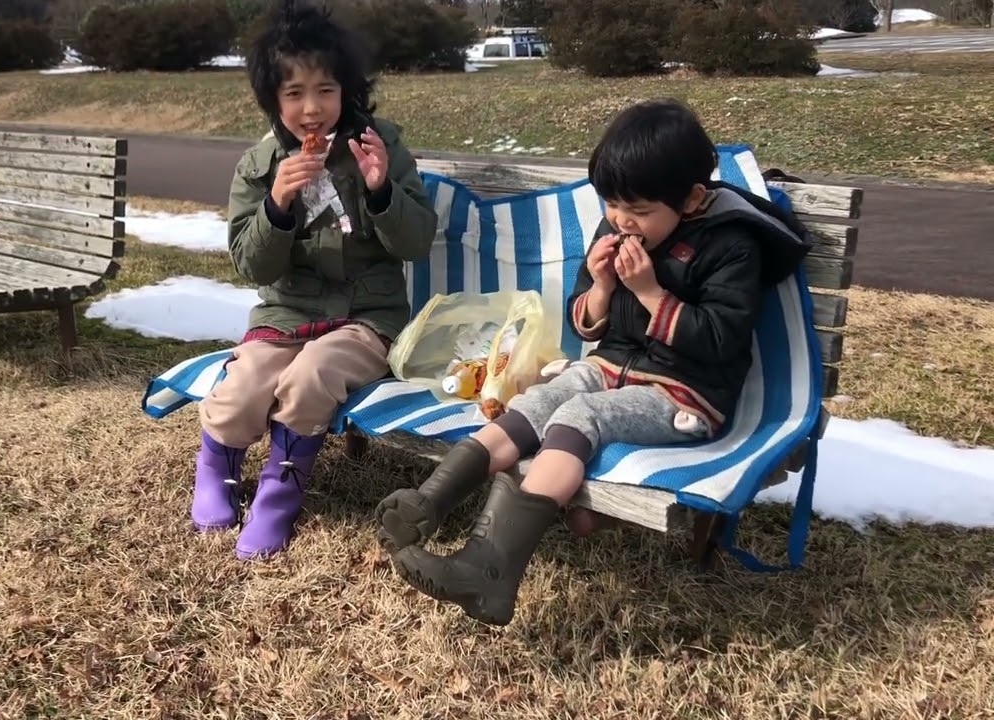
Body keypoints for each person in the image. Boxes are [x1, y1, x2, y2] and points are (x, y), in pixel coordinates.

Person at [374, 98, 812, 625]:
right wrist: (602, 286)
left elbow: (719, 339)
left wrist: (649, 292)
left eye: (639, 210)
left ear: (693, 198)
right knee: (539, 400)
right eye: (611, 204)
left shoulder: (732, 246)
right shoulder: (615, 231)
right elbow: (586, 323)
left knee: (579, 415)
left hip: (683, 395)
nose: (621, 220)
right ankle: (428, 503)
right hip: (608, 368)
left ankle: (489, 568)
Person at [191, 0, 438, 560]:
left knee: (311, 375)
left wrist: (382, 190)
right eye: (294, 93)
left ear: (346, 90)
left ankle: (279, 494)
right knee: (242, 387)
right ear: (273, 100)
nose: (311, 109)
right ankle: (216, 470)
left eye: (326, 90)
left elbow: (416, 243)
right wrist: (277, 205)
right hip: (286, 314)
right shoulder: (259, 166)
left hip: (365, 318)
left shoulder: (379, 146)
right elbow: (252, 266)